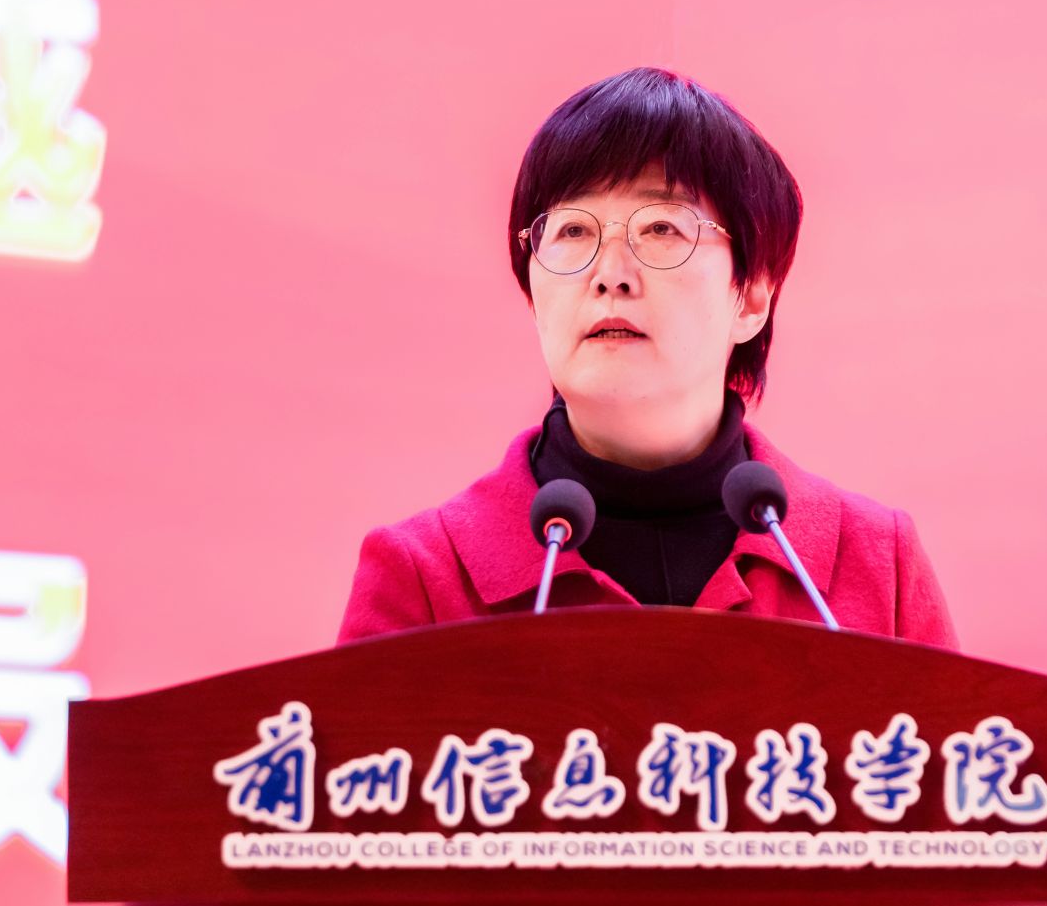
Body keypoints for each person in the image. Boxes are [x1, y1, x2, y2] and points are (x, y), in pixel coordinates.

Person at [336, 67, 958, 651]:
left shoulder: (878, 567)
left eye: (662, 228)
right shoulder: (425, 577)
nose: (610, 275)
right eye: (572, 231)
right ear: (533, 293)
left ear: (752, 297)